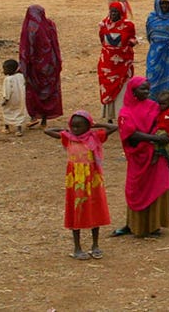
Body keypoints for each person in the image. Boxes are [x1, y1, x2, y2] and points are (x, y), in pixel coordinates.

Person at [44, 110, 118, 260]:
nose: (75, 130)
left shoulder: (95, 137)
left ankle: (95, 245)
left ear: (88, 126)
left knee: (95, 208)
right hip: (75, 181)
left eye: (79, 127)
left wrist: (95, 125)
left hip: (93, 179)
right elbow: (47, 130)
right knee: (75, 209)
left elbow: (113, 128)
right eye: (73, 126)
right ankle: (77, 247)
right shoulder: (68, 137)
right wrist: (65, 130)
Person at [113, 77, 169, 238]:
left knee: (156, 186)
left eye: (148, 89)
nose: (147, 92)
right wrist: (156, 139)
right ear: (133, 91)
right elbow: (131, 135)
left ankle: (153, 225)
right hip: (139, 157)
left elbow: (167, 120)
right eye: (143, 89)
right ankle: (134, 224)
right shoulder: (126, 112)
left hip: (156, 155)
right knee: (137, 188)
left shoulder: (154, 106)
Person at [20, 5, 63, 128]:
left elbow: (26, 48)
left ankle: (33, 116)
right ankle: (44, 119)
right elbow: (55, 44)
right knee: (48, 91)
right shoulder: (50, 25)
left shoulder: (30, 28)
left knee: (33, 90)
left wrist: (24, 65)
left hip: (34, 67)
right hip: (50, 65)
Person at [97, 2, 137, 123]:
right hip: (107, 64)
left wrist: (131, 43)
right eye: (112, 11)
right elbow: (102, 41)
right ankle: (109, 117)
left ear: (122, 13)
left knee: (122, 90)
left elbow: (132, 38)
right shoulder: (104, 25)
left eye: (116, 12)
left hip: (123, 65)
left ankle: (122, 116)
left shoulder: (128, 26)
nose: (113, 14)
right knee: (108, 88)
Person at [144, 0, 169, 100]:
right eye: (162, 3)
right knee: (152, 77)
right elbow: (149, 36)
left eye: (167, 3)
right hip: (155, 55)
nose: (164, 6)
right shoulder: (151, 18)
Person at [1, 59, 27, 136]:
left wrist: (5, 100)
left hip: (11, 99)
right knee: (19, 112)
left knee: (7, 111)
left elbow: (7, 91)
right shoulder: (21, 76)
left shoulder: (7, 79)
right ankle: (18, 130)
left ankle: (6, 128)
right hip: (20, 98)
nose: (4, 71)